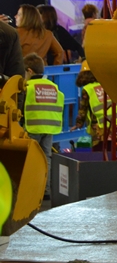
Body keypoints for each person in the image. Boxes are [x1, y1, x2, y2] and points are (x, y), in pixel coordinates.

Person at [23, 53, 64, 199]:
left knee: (29, 158)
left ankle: (29, 191)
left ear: (29, 71)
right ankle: (45, 191)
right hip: (50, 127)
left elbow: (21, 107)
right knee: (46, 158)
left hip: (32, 127)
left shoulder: (27, 87)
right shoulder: (53, 87)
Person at [70, 61, 117, 147]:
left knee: (101, 154)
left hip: (103, 128)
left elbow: (83, 110)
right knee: (114, 153)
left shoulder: (88, 89)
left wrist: (78, 124)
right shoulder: (108, 85)